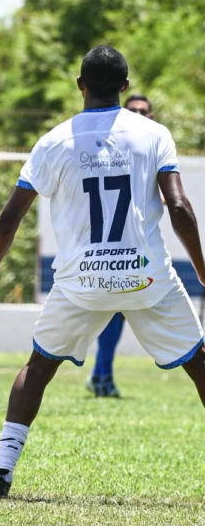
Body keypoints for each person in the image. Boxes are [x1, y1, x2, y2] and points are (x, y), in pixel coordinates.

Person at [0, 46, 205, 498]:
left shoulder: (54, 141)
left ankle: (0, 477)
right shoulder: (154, 134)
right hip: (147, 279)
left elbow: (7, 220)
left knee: (37, 370)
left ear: (80, 85)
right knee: (200, 366)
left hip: (80, 284)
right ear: (125, 88)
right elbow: (179, 208)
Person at [86, 93, 155, 397]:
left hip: (139, 245)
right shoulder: (112, 147)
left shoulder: (153, 146)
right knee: (115, 311)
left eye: (144, 111)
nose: (139, 115)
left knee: (117, 313)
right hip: (110, 247)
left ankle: (101, 375)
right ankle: (101, 376)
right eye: (133, 110)